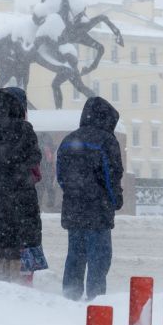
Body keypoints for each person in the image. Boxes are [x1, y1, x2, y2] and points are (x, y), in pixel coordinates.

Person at [57, 96, 124, 301]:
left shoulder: (69, 140)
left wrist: (75, 193)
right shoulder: (106, 141)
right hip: (98, 211)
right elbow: (111, 175)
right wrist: (115, 200)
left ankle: (70, 296)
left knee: (75, 256)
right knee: (99, 259)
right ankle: (95, 300)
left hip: (74, 209)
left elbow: (61, 177)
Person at [0, 87, 42, 282]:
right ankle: (20, 284)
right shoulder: (24, 129)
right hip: (19, 197)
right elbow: (34, 156)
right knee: (20, 244)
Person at [36, 132, 57, 209]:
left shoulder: (39, 147)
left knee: (41, 188)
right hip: (46, 170)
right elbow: (50, 160)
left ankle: (40, 203)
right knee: (48, 187)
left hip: (42, 170)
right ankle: (49, 203)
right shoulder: (48, 147)